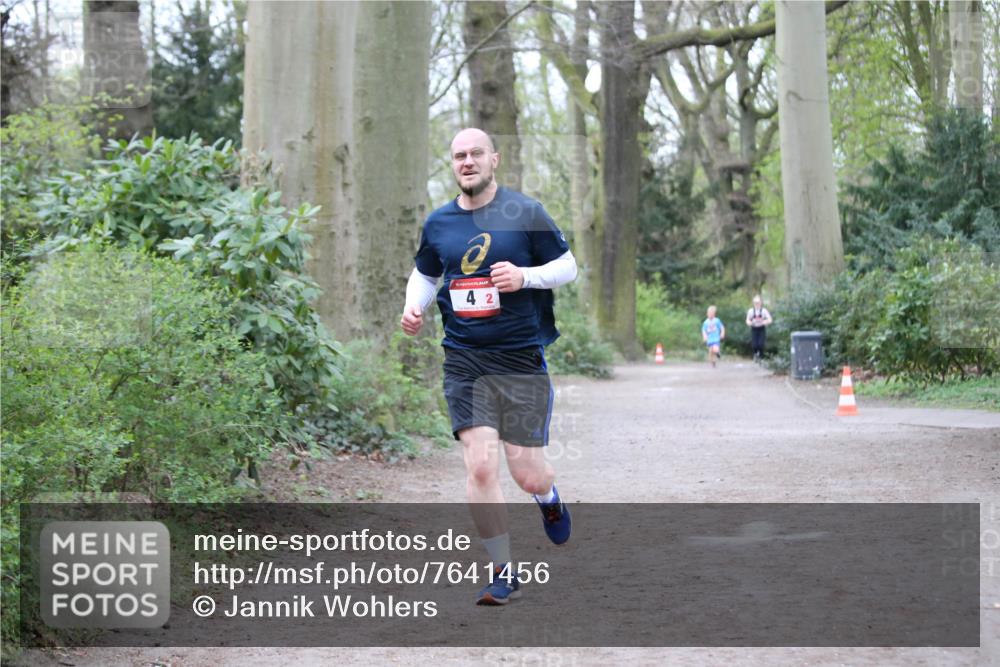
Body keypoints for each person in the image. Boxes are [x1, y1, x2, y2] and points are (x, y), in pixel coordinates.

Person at [400, 128, 577, 606]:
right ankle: (503, 571)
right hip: (465, 358)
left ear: (494, 159)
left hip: (519, 357)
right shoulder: (438, 223)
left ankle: (549, 499)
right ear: (452, 165)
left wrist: (525, 277)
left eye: (476, 153)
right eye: (459, 155)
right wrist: (414, 307)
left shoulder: (526, 212)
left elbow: (567, 267)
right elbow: (427, 272)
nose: (468, 161)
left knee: (528, 474)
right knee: (480, 465)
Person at [745, 295, 773, 362]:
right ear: (753, 303)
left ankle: (761, 356)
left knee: (761, 344)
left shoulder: (764, 310)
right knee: (754, 344)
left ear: (760, 303)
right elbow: (747, 320)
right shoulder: (751, 311)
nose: (757, 304)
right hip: (754, 328)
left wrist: (765, 322)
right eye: (755, 303)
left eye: (758, 302)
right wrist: (750, 323)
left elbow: (770, 319)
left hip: (761, 328)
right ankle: (755, 354)